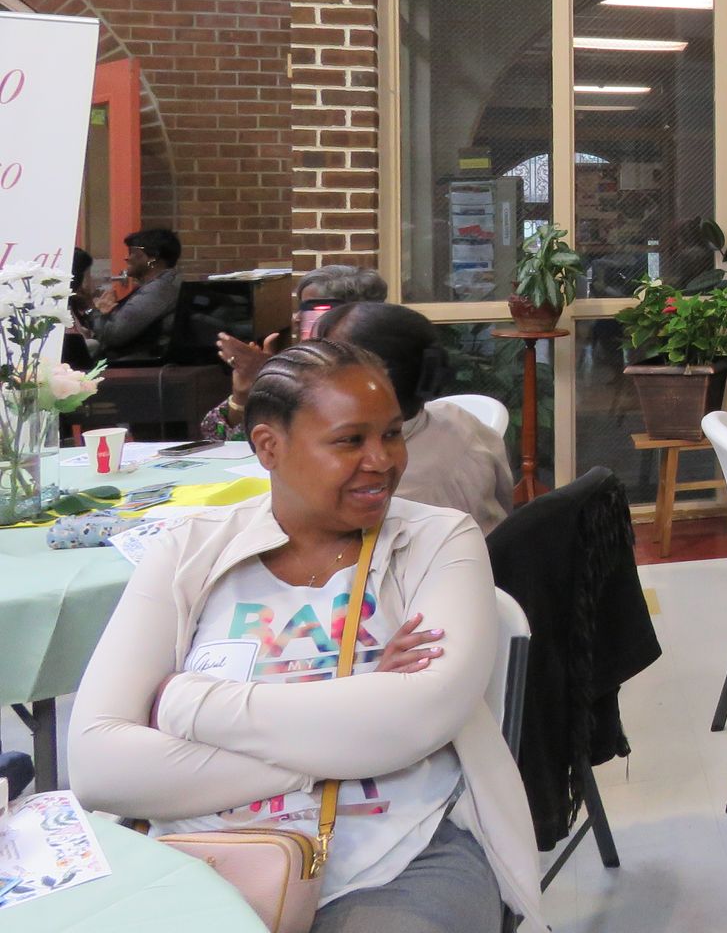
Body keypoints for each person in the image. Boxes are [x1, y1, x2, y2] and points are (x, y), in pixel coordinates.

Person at [68, 340, 545, 931]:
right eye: (350, 441)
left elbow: (416, 717)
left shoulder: (437, 540)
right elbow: (97, 767)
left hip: (397, 852)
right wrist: (353, 729)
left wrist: (185, 704)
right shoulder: (190, 549)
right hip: (195, 856)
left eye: (391, 434)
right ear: (269, 446)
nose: (382, 460)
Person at [315, 301, 513, 535]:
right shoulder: (458, 418)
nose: (308, 374)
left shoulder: (386, 494)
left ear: (369, 383)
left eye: (320, 363)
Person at [200, 264, 390, 441]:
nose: (297, 318)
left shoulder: (375, 368)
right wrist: (243, 394)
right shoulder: (298, 361)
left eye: (312, 309)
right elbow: (215, 436)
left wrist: (272, 379)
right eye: (300, 308)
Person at [91, 227, 183, 362]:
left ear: (153, 257)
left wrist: (99, 312)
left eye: (132, 252)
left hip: (135, 366)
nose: (127, 258)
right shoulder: (163, 284)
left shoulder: (158, 290)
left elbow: (114, 335)